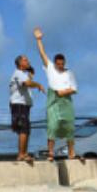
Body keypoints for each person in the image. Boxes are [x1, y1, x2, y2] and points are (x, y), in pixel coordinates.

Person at [33, 27, 80, 161]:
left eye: (62, 64)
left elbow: (74, 88)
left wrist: (63, 92)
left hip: (66, 100)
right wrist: (39, 39)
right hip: (53, 98)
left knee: (69, 126)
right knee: (52, 126)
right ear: (55, 63)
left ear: (64, 63)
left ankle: (71, 152)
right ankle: (51, 153)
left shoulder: (69, 73)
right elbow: (42, 53)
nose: (60, 66)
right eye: (58, 64)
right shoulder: (50, 68)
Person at [9, 55, 44, 164]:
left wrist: (30, 75)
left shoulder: (22, 74)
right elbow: (27, 83)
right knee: (23, 128)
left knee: (26, 129)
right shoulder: (18, 73)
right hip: (19, 104)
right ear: (20, 63)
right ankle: (21, 154)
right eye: (25, 60)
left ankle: (24, 153)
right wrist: (38, 84)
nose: (28, 61)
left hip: (23, 105)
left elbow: (27, 82)